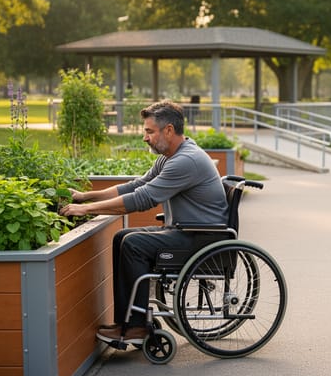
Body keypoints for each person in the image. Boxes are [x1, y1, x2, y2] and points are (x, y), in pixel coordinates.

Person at [60, 100, 229, 345]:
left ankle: (137, 328)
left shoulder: (185, 161)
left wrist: (85, 209)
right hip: (186, 230)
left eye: (149, 132)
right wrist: (85, 196)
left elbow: (143, 198)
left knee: (133, 244)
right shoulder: (171, 156)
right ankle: (126, 323)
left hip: (201, 238)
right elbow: (136, 185)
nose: (145, 138)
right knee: (121, 238)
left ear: (168, 130)